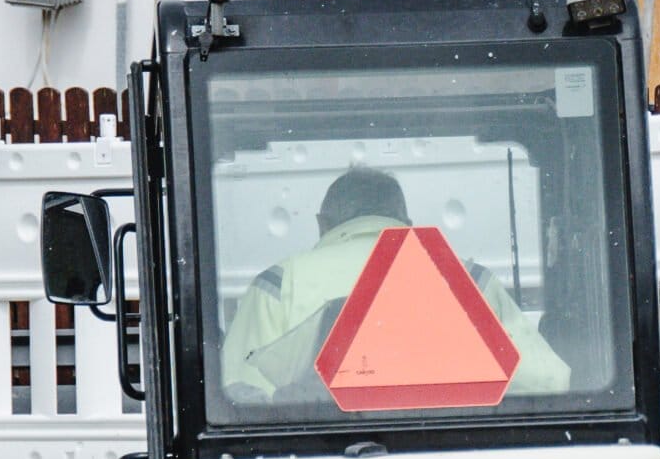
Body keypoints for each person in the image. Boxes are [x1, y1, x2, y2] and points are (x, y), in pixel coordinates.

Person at [218, 166, 570, 404]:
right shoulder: (469, 281)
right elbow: (549, 384)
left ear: (322, 223)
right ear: (407, 222)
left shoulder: (281, 284)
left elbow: (242, 399)